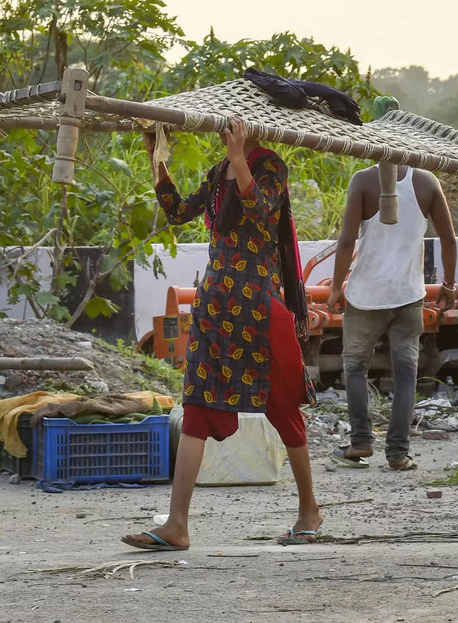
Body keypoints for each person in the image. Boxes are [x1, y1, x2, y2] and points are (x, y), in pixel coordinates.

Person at [122, 118, 322, 549]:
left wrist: (239, 159)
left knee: (283, 407)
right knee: (197, 405)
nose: (225, 133)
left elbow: (263, 211)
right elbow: (177, 212)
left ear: (250, 128)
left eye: (232, 127)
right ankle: (177, 525)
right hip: (215, 304)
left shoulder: (270, 166)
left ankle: (309, 510)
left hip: (258, 304)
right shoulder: (217, 174)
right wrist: (157, 158)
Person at [325, 163, 458, 471]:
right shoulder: (426, 182)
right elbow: (449, 240)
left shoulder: (363, 180)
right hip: (408, 296)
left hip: (366, 296)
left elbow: (346, 241)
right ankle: (398, 454)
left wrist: (334, 287)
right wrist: (449, 285)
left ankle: (360, 443)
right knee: (406, 376)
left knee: (355, 368)